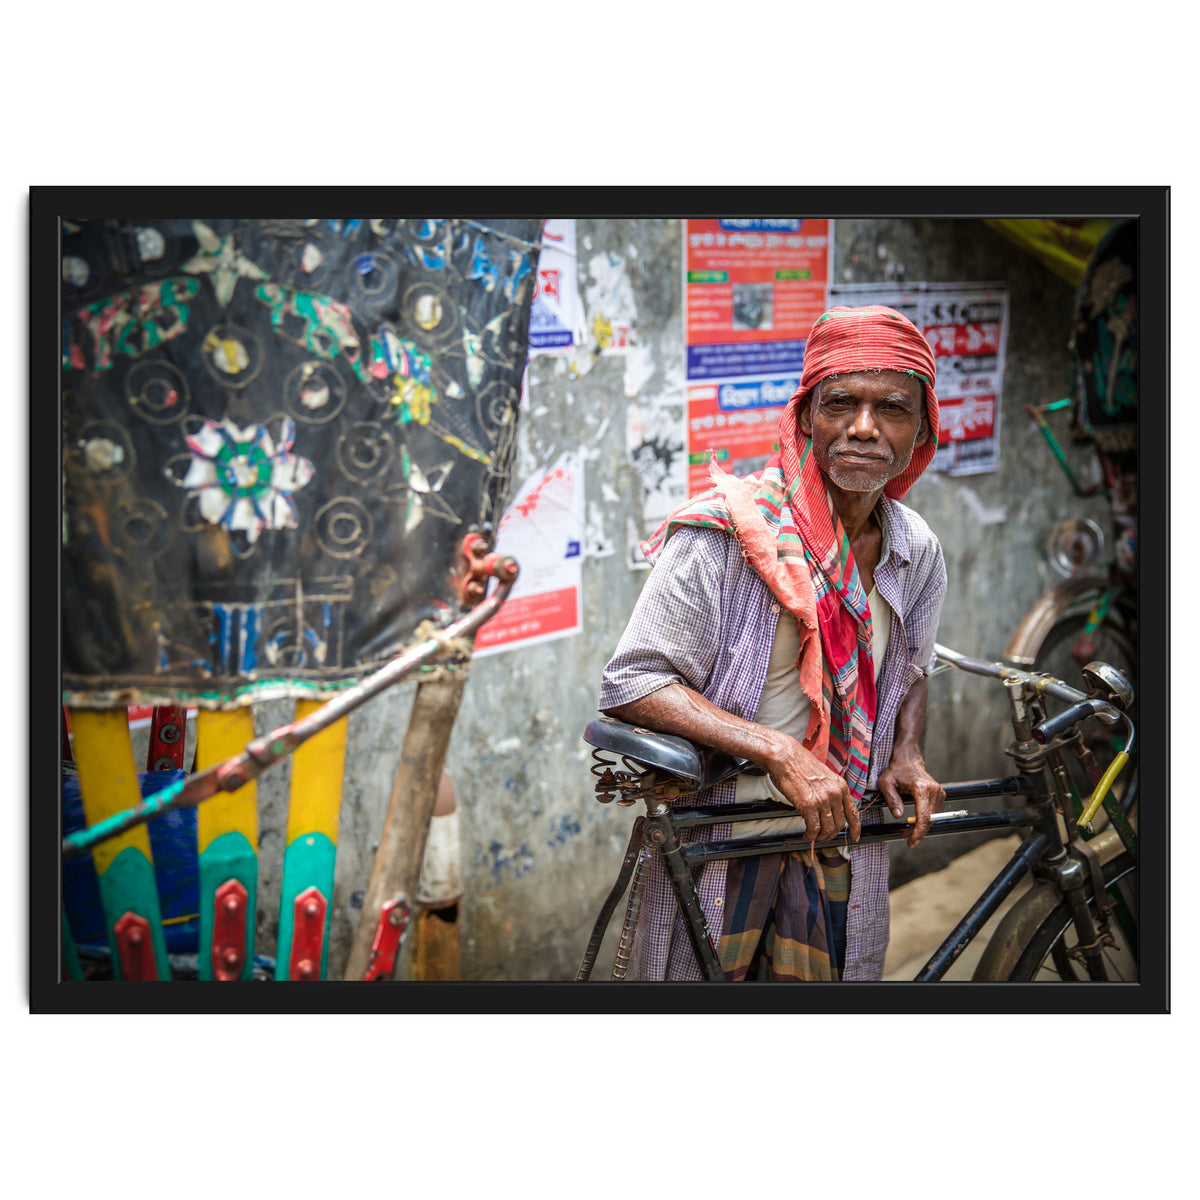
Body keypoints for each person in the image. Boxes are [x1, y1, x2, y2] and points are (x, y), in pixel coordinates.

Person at [599, 305, 948, 981]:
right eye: (841, 403)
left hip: (841, 834)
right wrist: (780, 751)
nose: (864, 427)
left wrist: (907, 750)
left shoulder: (915, 549)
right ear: (806, 417)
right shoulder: (727, 536)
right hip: (726, 838)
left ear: (922, 430)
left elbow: (912, 665)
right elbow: (633, 682)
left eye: (892, 409)